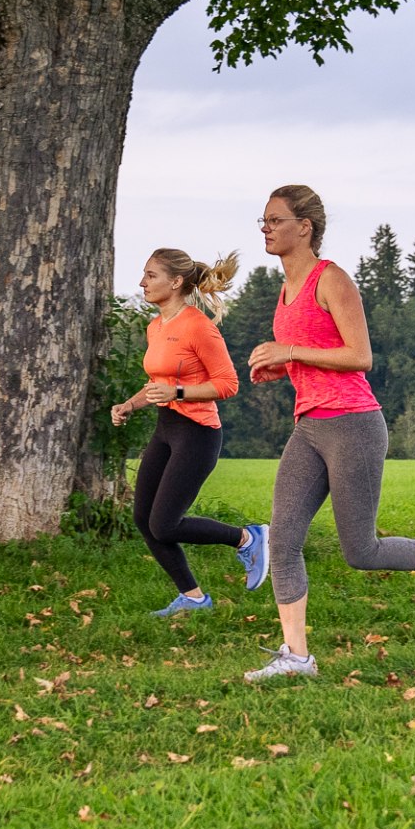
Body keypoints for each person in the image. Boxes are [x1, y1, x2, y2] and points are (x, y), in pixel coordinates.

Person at [243, 185, 415, 682]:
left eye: (275, 220)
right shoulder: (284, 292)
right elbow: (310, 356)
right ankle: (297, 657)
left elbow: (359, 356)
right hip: (308, 425)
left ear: (304, 227)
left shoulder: (330, 279)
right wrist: (278, 369)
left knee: (362, 551)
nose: (265, 228)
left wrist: (287, 353)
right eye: (263, 221)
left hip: (353, 424)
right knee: (284, 541)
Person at [111, 248, 269, 617]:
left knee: (164, 524)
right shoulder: (157, 326)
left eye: (151, 276)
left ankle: (248, 538)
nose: (142, 282)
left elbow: (228, 384)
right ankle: (194, 598)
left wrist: (178, 393)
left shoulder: (198, 325)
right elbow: (158, 383)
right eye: (144, 275)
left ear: (176, 281)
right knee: (143, 518)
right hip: (166, 428)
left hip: (197, 433)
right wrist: (130, 405)